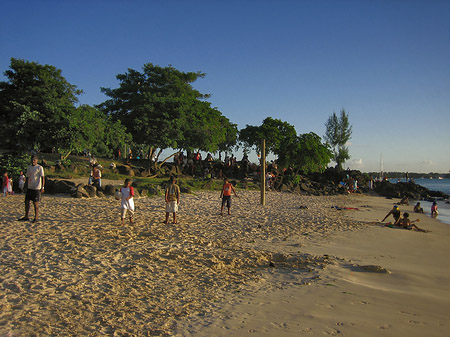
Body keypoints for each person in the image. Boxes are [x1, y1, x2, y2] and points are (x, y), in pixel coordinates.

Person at [19, 155, 45, 223]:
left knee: (35, 203)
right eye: (32, 159)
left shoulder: (39, 167)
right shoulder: (29, 167)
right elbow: (27, 177)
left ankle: (36, 217)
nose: (33, 161)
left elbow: (43, 177)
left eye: (35, 160)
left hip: (36, 188)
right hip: (30, 187)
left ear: (37, 160)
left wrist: (42, 187)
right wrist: (25, 186)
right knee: (27, 202)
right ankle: (26, 216)